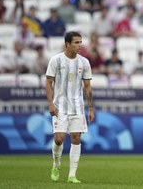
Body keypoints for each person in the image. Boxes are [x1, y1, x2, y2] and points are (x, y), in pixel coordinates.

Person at [46, 31, 95, 184]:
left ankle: (72, 175)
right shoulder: (56, 60)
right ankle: (56, 164)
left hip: (77, 107)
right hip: (60, 106)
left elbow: (87, 87)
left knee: (76, 138)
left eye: (81, 42)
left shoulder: (84, 63)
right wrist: (50, 103)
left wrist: (91, 108)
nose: (80, 45)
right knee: (59, 139)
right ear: (67, 44)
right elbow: (48, 82)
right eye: (76, 42)